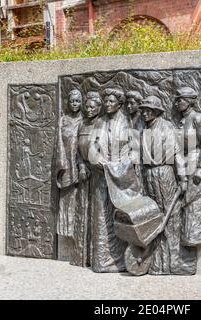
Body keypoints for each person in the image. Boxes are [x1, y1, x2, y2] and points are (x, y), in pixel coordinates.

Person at [140, 95, 195, 275]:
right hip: (149, 174)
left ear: (156, 111)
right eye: (143, 109)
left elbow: (178, 154)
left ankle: (174, 261)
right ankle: (158, 262)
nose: (144, 112)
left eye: (148, 109)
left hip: (164, 173)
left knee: (170, 217)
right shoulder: (144, 129)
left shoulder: (166, 127)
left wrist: (183, 179)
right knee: (154, 216)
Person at [88, 87, 131, 273]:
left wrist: (120, 166)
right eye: (105, 101)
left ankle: (121, 260)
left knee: (119, 216)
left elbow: (132, 149)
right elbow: (92, 146)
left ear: (119, 104)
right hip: (101, 177)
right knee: (101, 217)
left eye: (111, 101)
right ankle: (102, 261)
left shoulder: (126, 122)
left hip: (120, 179)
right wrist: (98, 160)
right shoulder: (100, 122)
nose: (107, 104)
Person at [173, 87, 201, 247]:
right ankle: (187, 238)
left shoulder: (198, 118)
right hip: (183, 162)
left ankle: (198, 237)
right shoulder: (180, 122)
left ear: (189, 101)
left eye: (180, 99)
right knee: (185, 200)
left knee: (195, 200)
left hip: (196, 161)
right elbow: (178, 149)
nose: (177, 103)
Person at [55, 89, 87, 264]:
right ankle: (65, 237)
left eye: (77, 101)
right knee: (65, 201)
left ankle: (79, 237)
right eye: (72, 101)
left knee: (78, 201)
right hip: (66, 166)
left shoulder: (85, 121)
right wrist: (63, 166)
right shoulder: (63, 121)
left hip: (81, 167)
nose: (75, 104)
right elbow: (58, 145)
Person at [77, 91, 103, 267]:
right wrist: (80, 165)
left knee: (97, 213)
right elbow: (76, 150)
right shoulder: (82, 125)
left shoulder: (102, 125)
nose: (88, 109)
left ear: (98, 108)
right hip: (84, 172)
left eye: (92, 107)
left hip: (99, 172)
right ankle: (82, 255)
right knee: (82, 212)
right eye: (86, 106)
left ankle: (96, 256)